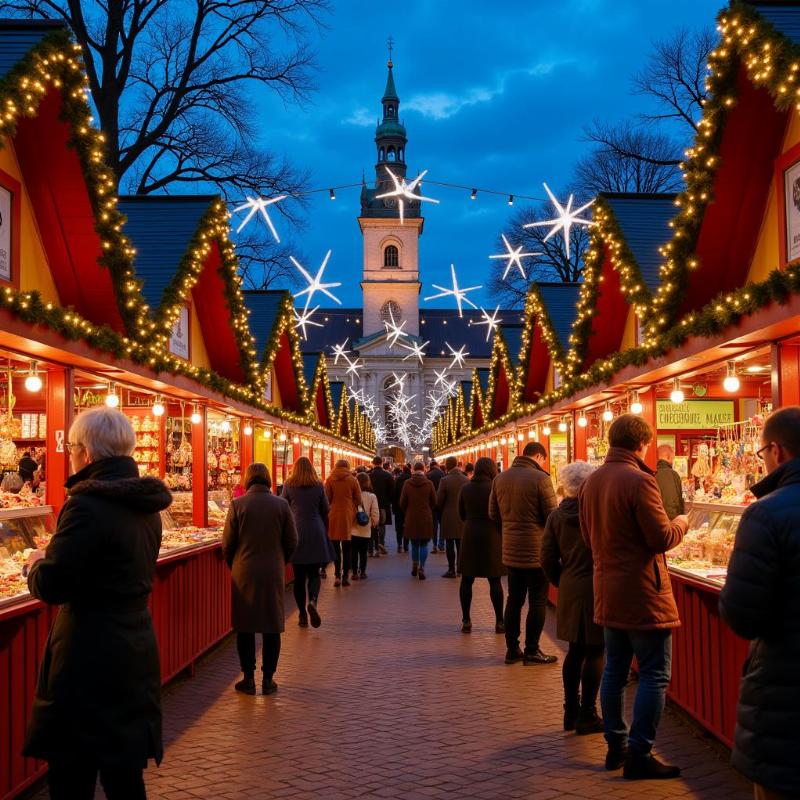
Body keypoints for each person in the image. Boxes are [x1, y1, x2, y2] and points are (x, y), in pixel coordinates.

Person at [23, 407, 171, 799]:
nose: (69, 454)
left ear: (86, 453)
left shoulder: (86, 504)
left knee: (73, 772)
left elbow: (54, 584)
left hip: (87, 654)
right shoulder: (147, 506)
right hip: (134, 646)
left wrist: (36, 564)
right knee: (124, 773)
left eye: (71, 447)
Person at [579, 414, 688, 780]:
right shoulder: (641, 481)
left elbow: (587, 536)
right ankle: (639, 754)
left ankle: (617, 747)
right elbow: (660, 538)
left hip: (607, 589)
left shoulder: (591, 482)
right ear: (641, 444)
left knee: (614, 670)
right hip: (643, 592)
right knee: (655, 673)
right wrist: (683, 523)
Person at [719, 407, 800, 800]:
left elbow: (743, 616)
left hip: (785, 689)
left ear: (778, 452)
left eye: (761, 451)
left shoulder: (765, 515)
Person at [541, 460, 605, 736]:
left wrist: (561, 580)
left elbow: (546, 557)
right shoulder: (597, 513)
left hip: (569, 585)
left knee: (574, 650)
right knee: (596, 650)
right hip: (596, 586)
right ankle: (588, 714)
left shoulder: (556, 516)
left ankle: (570, 711)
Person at [223, 463, 297, 696]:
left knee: (245, 627)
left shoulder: (237, 505)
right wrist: (280, 560)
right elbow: (292, 540)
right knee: (271, 626)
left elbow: (227, 544)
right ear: (267, 479)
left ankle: (248, 678)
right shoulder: (282, 505)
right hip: (272, 570)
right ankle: (268, 679)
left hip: (244, 571)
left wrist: (235, 564)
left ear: (248, 479)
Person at [489, 440, 558, 666]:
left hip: (511, 551)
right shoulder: (541, 479)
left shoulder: (500, 478)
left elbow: (493, 514)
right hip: (536, 552)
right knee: (538, 601)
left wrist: (508, 531)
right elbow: (552, 517)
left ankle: (511, 650)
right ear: (538, 457)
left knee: (514, 600)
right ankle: (532, 650)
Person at [282, 456, 333, 629]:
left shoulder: (289, 485)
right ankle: (313, 601)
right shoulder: (318, 485)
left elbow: (283, 506)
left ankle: (302, 615)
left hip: (296, 532)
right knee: (314, 573)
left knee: (299, 577)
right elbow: (326, 509)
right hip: (315, 531)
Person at [458, 457, 505, 634]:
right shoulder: (495, 487)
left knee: (467, 580)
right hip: (492, 535)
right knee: (495, 580)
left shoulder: (466, 488)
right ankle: (500, 621)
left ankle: (466, 619)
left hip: (470, 533)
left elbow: (461, 512)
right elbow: (500, 512)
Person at [325, 459, 362, 587]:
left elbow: (327, 498)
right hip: (348, 515)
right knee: (347, 548)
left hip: (334, 514)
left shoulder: (329, 479)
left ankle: (336, 576)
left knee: (335, 548)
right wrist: (351, 506)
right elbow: (358, 498)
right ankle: (345, 575)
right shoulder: (353, 479)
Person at [400, 462, 436, 580]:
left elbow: (402, 502)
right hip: (425, 517)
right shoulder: (429, 483)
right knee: (424, 544)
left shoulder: (407, 484)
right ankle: (422, 567)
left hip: (411, 517)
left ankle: (415, 563)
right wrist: (427, 508)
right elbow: (434, 501)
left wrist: (408, 511)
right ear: (424, 469)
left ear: (413, 470)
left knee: (414, 543)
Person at [437, 455, 469, 578]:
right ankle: (461, 568)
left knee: (449, 543)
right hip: (463, 516)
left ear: (447, 466)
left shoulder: (445, 480)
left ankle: (451, 570)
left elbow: (439, 500)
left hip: (448, 514)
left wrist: (440, 509)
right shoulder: (466, 480)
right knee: (460, 544)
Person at [352, 472, 380, 579]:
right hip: (365, 527)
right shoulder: (372, 496)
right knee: (363, 551)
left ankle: (354, 572)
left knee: (353, 551)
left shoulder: (352, 495)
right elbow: (375, 512)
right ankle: (363, 572)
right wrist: (374, 523)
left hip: (353, 527)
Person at [368, 456, 394, 557]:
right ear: (382, 463)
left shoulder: (369, 475)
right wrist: (388, 501)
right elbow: (392, 491)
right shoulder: (387, 475)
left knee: (371, 525)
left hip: (370, 504)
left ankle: (371, 547)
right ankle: (381, 543)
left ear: (373, 463)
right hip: (383, 504)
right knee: (382, 524)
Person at [655, 444, 684, 520]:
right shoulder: (674, 475)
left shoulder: (651, 474)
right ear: (668, 457)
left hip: (656, 519)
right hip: (672, 519)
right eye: (672, 458)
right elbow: (680, 499)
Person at [426, 460, 444, 552]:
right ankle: (442, 544)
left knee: (434, 525)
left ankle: (434, 545)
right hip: (442, 503)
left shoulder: (428, 475)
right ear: (437, 465)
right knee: (442, 524)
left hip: (431, 504)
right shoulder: (443, 474)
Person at [393, 463, 412, 552]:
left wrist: (393, 507)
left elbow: (395, 494)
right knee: (407, 526)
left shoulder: (398, 479)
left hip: (398, 506)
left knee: (399, 526)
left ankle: (399, 544)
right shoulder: (411, 479)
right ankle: (406, 545)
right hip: (409, 507)